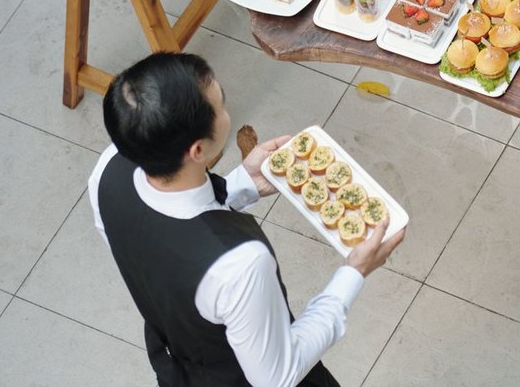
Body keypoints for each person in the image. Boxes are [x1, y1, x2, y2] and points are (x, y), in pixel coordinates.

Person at [88, 53, 403, 387]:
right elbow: (277, 376)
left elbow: (156, 246)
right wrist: (354, 272)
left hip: (177, 362)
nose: (227, 109)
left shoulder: (107, 171)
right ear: (197, 151)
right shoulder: (241, 265)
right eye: (221, 104)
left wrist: (243, 184)